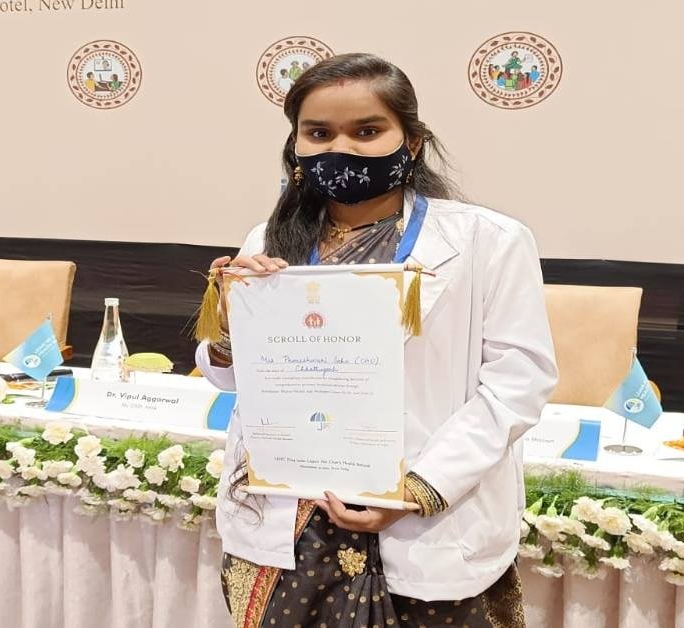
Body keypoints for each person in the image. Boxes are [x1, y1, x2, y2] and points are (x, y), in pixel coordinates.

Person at [196, 52, 557, 628]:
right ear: (296, 145)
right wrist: (231, 322)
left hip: (422, 519)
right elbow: (237, 378)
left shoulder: (488, 240)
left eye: (367, 131)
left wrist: (418, 489)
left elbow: (519, 383)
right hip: (293, 519)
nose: (341, 148)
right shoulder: (268, 239)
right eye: (319, 133)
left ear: (410, 142)